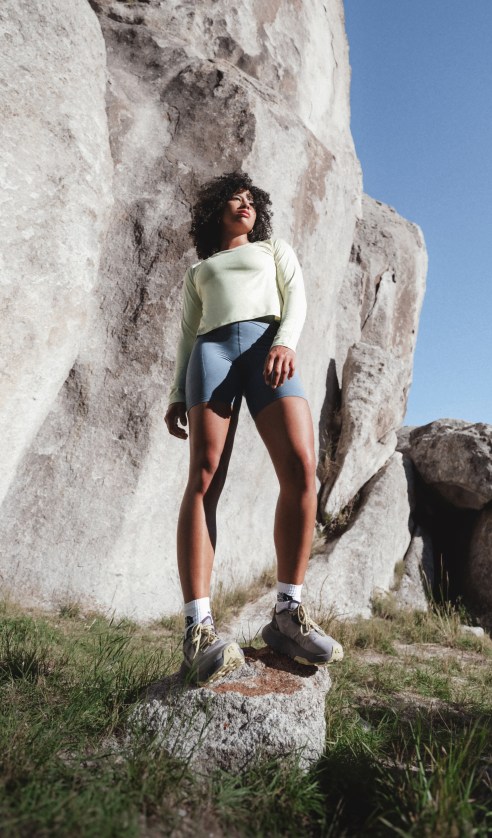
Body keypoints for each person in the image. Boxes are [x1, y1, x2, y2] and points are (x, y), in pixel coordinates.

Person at [165, 171, 343, 686]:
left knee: (302, 470)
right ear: (215, 211)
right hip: (211, 354)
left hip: (269, 349)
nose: (243, 205)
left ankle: (287, 613)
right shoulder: (200, 269)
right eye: (233, 200)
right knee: (204, 476)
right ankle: (198, 629)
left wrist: (286, 343)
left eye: (250, 200)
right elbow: (185, 337)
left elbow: (297, 299)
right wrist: (178, 392)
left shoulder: (273, 249)